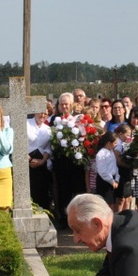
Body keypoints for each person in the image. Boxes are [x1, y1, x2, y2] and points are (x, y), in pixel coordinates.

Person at [51, 92, 87, 226]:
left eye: (66, 104)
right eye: (62, 104)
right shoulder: (54, 119)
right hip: (61, 162)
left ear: (71, 105)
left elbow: (84, 135)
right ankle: (64, 218)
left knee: (77, 190)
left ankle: (78, 219)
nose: (64, 106)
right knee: (63, 191)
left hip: (76, 162)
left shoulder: (79, 118)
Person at [27, 110, 52, 211]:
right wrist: (27, 158)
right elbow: (18, 141)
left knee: (41, 190)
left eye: (45, 114)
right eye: (41, 112)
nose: (42, 115)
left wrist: (42, 161)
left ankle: (41, 211)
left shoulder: (48, 129)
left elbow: (48, 147)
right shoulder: (26, 123)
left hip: (41, 162)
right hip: (26, 159)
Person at [94, 132, 120, 211]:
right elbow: (103, 171)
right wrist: (112, 181)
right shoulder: (101, 154)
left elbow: (115, 167)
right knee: (106, 204)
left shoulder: (111, 152)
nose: (116, 145)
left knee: (112, 203)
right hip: (105, 181)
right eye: (115, 143)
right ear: (109, 143)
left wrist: (117, 179)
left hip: (112, 180)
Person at [114, 123, 133, 212]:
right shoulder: (118, 144)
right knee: (120, 198)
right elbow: (117, 160)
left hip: (126, 172)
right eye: (128, 135)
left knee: (127, 197)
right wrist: (129, 165)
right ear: (120, 134)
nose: (129, 137)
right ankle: (119, 217)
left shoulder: (125, 143)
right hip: (120, 172)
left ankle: (126, 217)